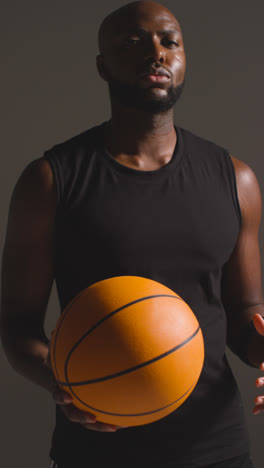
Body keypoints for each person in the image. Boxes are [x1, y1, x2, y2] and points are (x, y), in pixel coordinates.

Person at [1, 1, 264, 467]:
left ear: (183, 60)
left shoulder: (235, 178)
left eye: (170, 41)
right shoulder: (50, 180)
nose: (156, 53)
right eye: (133, 42)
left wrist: (263, 348)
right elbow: (18, 325)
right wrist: (63, 383)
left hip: (217, 448)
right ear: (103, 67)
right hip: (98, 448)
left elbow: (244, 310)